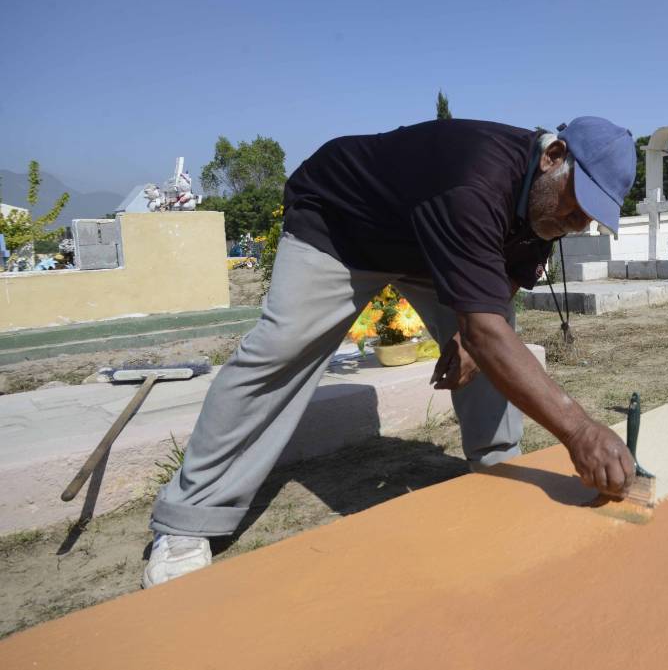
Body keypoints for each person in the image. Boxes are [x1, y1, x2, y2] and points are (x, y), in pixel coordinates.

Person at [143, 116, 638, 588]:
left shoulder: (542, 203)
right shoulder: (475, 179)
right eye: (575, 208)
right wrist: (578, 429)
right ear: (554, 156)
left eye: (588, 219)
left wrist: (472, 338)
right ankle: (189, 516)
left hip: (430, 244)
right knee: (281, 349)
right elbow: (489, 326)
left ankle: (497, 468)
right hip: (343, 227)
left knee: (492, 347)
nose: (574, 224)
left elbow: (505, 282)